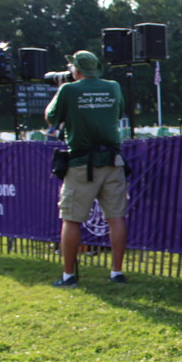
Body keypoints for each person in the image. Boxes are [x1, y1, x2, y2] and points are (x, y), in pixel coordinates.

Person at [44, 50, 128, 287]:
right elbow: (117, 113)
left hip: (81, 163)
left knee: (71, 219)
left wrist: (60, 89)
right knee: (116, 217)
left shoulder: (68, 90)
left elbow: (51, 117)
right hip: (112, 161)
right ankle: (117, 272)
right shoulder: (113, 87)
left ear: (76, 69)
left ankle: (68, 275)